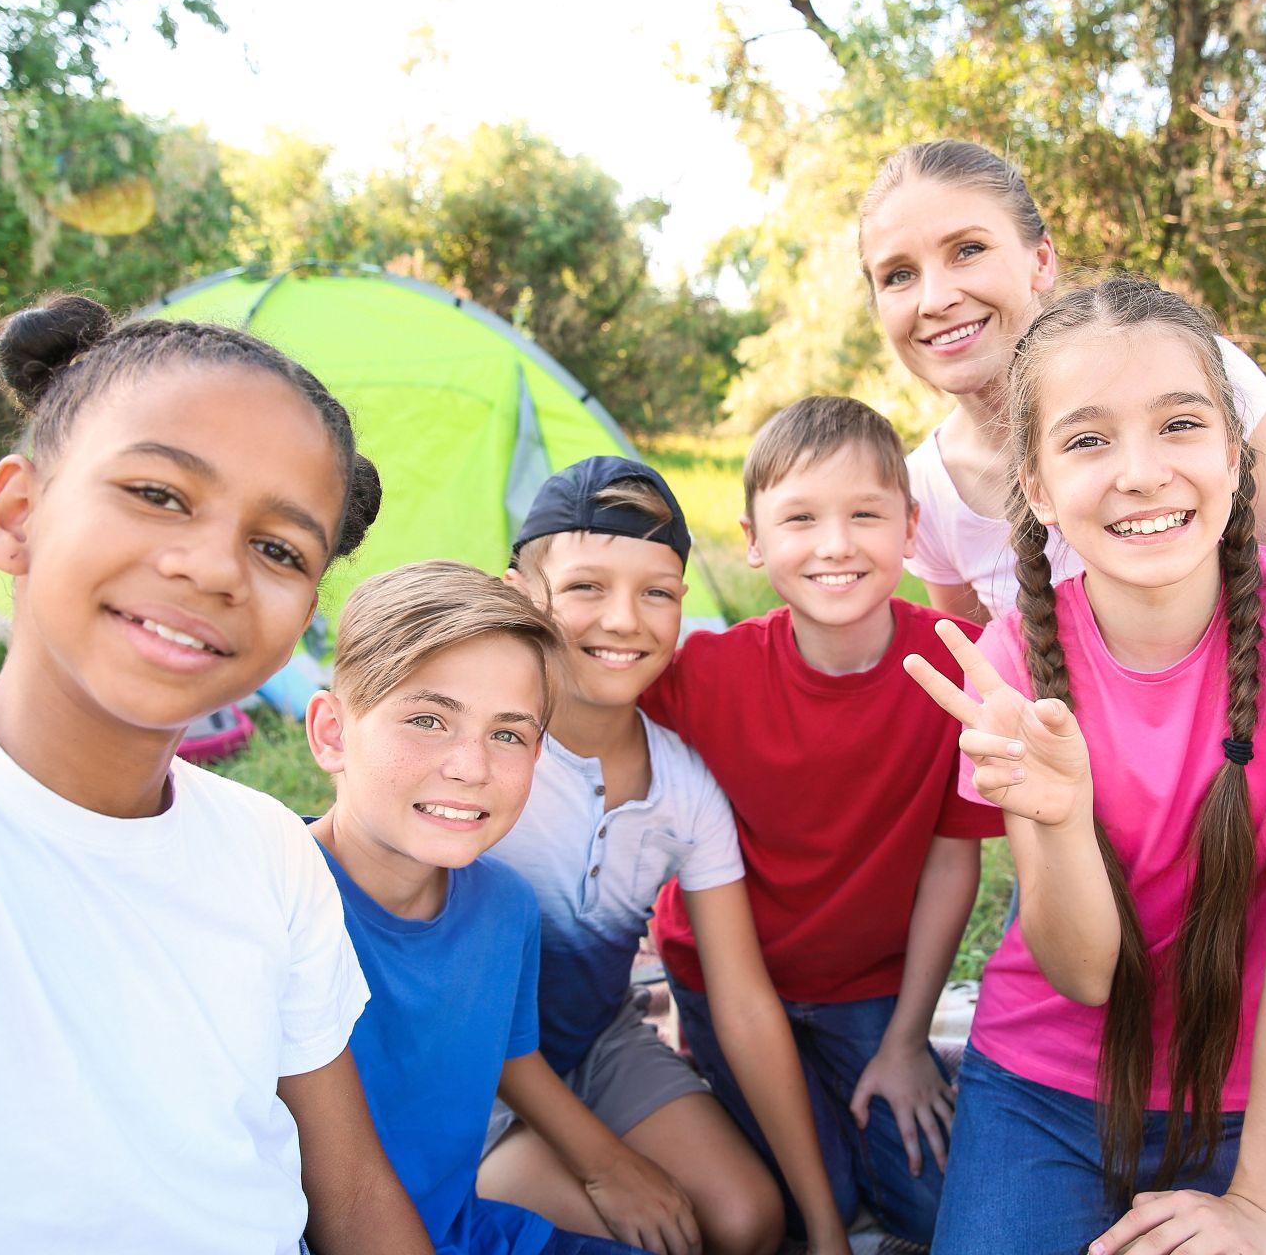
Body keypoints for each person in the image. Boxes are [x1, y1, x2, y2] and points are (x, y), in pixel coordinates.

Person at [0, 294, 430, 1252]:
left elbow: (346, 1183)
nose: (216, 567)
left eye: (278, 548)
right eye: (158, 494)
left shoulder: (269, 847)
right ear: (17, 515)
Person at [903, 275, 1266, 1254]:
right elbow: (1079, 972)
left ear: (1237, 454)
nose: (1141, 473)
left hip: (1249, 1095)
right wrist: (1061, 817)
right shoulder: (1019, 663)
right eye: (1088, 439)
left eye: (1179, 424)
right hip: (1044, 1084)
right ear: (1038, 486)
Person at [640, 397, 1002, 1246]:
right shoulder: (707, 672)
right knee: (821, 1206)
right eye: (800, 518)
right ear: (754, 540)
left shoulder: (954, 667)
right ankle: (703, 1073)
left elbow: (954, 865)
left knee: (930, 1208)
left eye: (865, 515)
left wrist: (908, 1041)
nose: (835, 545)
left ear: (911, 529)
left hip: (872, 987)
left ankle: (917, 1067)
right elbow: (586, 697)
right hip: (726, 980)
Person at [482, 457, 851, 1255]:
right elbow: (448, 998)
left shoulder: (684, 786)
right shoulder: (481, 764)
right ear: (519, 594)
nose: (624, 620)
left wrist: (824, 1230)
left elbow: (744, 1003)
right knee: (628, 1240)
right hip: (465, 1066)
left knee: (748, 1221)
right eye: (585, 587)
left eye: (656, 593)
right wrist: (605, 1162)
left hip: (593, 1042)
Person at [858, 138, 1266, 625]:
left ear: (1040, 261)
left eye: (968, 250)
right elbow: (984, 676)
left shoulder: (1193, 378)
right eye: (898, 275)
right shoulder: (928, 487)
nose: (934, 299)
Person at [303, 559, 647, 1255]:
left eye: (509, 733)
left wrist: (608, 1165)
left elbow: (507, 1058)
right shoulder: (274, 901)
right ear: (333, 733)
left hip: (464, 1232)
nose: (471, 766)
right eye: (428, 719)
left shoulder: (506, 910)